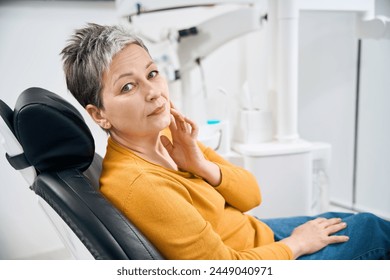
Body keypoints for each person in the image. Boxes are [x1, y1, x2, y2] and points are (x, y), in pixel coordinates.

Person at [61, 23, 390, 260]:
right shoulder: (139, 184)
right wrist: (298, 245)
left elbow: (251, 196)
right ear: (99, 114)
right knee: (372, 229)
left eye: (151, 73)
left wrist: (199, 162)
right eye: (127, 87)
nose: (152, 92)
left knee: (349, 220)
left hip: (257, 235)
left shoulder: (168, 136)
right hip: (257, 258)